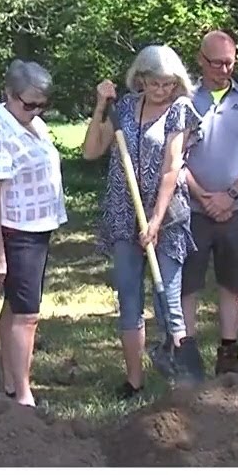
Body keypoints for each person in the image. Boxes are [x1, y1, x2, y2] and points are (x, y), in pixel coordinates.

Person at [81, 44, 206, 395]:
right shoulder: (123, 109)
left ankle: (183, 379)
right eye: (155, 84)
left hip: (165, 216)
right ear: (141, 79)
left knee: (168, 296)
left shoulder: (181, 111)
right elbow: (91, 151)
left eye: (168, 84)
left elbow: (171, 169)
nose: (162, 91)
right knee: (129, 296)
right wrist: (100, 106)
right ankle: (134, 381)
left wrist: (154, 220)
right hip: (124, 213)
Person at [180, 30, 238, 375]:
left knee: (233, 282)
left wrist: (230, 196)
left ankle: (229, 353)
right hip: (190, 208)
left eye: (229, 63)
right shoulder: (184, 101)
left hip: (237, 208)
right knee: (187, 282)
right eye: (216, 62)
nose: (223, 69)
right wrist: (202, 195)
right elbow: (174, 157)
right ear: (201, 60)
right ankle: (185, 355)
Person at [0, 60, 68, 407]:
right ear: (8, 94)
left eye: (41, 104)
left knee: (16, 308)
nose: (34, 110)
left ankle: (10, 386)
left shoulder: (34, 124)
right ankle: (23, 393)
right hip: (17, 230)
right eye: (28, 103)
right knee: (27, 314)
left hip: (38, 226)